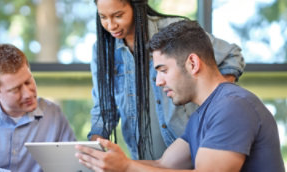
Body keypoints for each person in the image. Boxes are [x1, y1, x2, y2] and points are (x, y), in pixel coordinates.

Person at [76, 20, 284, 172]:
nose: (158, 81)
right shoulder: (199, 118)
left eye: (163, 70)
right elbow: (162, 165)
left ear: (192, 64)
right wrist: (112, 163)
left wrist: (127, 167)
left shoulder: (233, 106)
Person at [88, 0, 246, 160]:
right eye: (103, 17)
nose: (111, 25)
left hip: (193, 153)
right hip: (144, 162)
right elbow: (103, 107)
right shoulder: (102, 51)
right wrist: (93, 147)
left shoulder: (173, 31)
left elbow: (232, 56)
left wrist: (214, 104)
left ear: (136, 6)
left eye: (118, 15)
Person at [0, 44, 76, 172]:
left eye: (28, 82)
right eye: (15, 90)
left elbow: (73, 167)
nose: (28, 94)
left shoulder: (53, 114)